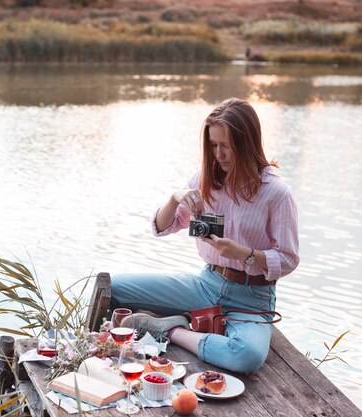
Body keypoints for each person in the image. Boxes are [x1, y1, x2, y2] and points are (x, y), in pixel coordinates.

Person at [111, 98, 299, 374]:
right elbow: (162, 227)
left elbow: (288, 259)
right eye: (213, 145)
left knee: (246, 356)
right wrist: (176, 198)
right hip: (206, 284)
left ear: (246, 144)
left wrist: (245, 254)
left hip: (252, 299)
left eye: (226, 146)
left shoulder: (276, 192)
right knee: (112, 286)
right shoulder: (205, 179)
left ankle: (173, 329)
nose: (219, 154)